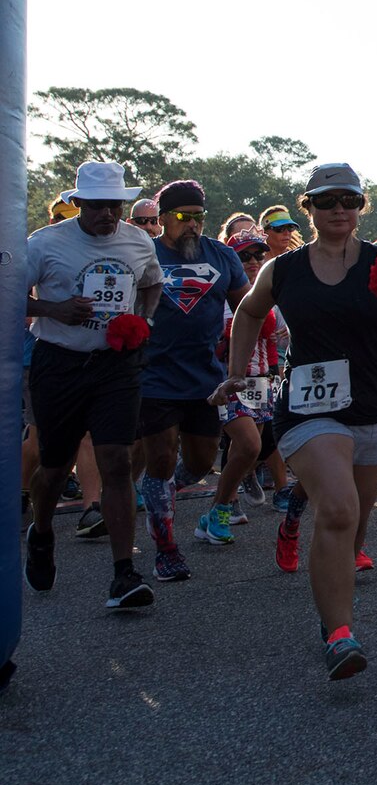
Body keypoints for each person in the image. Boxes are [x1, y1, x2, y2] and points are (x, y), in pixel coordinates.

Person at [222, 162, 377, 678]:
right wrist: (237, 373)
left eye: (348, 200)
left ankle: (298, 516)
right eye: (327, 202)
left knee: (356, 525)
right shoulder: (283, 269)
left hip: (373, 405)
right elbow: (250, 312)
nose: (339, 209)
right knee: (341, 511)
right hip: (307, 406)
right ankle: (339, 633)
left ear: (361, 206)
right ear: (310, 209)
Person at [20, 161, 164, 610]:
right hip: (59, 362)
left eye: (115, 206)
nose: (108, 214)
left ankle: (125, 575)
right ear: (78, 203)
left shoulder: (138, 239)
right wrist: (53, 310)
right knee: (54, 467)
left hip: (116, 364)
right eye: (98, 205)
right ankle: (41, 532)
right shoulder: (45, 244)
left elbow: (153, 283)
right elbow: (10, 295)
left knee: (117, 461)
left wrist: (145, 319)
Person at [136, 180, 249, 583]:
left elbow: (247, 310)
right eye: (183, 217)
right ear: (163, 218)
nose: (192, 225)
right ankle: (165, 547)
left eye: (199, 217)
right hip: (154, 375)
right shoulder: (143, 254)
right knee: (162, 458)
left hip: (205, 377)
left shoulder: (222, 256)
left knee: (200, 463)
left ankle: (155, 490)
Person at [196, 232, 288, 546]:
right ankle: (218, 505)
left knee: (250, 448)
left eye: (257, 256)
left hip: (260, 381)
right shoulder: (222, 294)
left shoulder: (268, 292)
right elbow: (213, 338)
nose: (252, 262)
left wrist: (274, 371)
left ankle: (217, 511)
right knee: (248, 444)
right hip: (227, 378)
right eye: (244, 256)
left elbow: (272, 341)